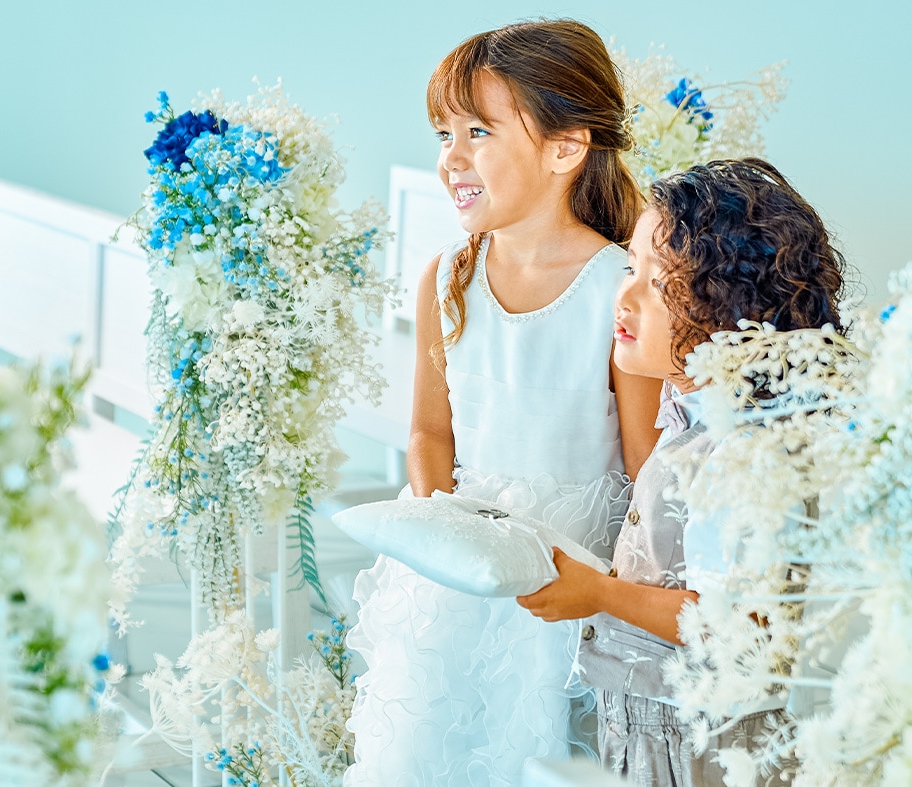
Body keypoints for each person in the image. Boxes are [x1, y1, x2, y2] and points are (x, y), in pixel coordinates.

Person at [344, 19, 662, 786]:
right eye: (444, 133)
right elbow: (429, 433)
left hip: (567, 580)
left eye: (478, 131)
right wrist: (444, 538)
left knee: (539, 755)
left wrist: (614, 592)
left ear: (566, 147)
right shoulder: (447, 277)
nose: (451, 157)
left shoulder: (617, 290)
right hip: (456, 570)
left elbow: (645, 469)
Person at [517, 158, 850, 786]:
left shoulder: (746, 453)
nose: (625, 297)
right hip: (652, 720)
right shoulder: (690, 414)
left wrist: (600, 594)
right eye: (630, 269)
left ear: (732, 306)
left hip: (697, 740)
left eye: (660, 282)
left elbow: (743, 629)